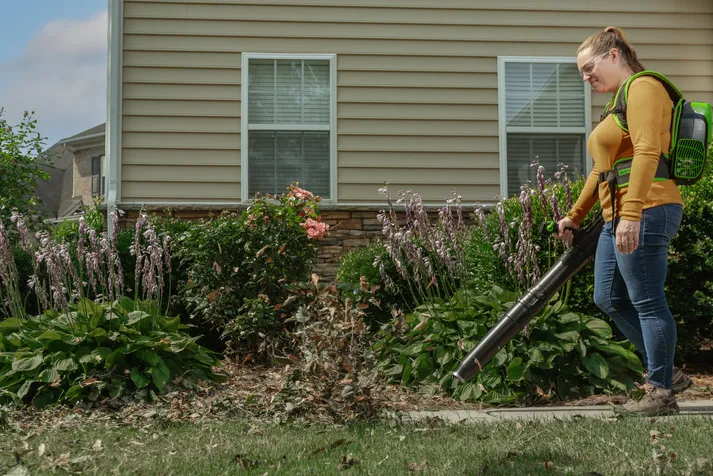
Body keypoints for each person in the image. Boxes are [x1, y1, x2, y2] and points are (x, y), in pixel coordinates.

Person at [556, 26, 692, 415]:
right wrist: (574, 215)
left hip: (647, 208)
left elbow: (649, 152)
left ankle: (660, 391)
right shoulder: (618, 102)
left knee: (648, 302)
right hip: (618, 213)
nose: (585, 77)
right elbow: (601, 171)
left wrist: (631, 214)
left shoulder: (643, 87)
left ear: (613, 55)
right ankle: (666, 372)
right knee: (608, 296)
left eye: (588, 67)